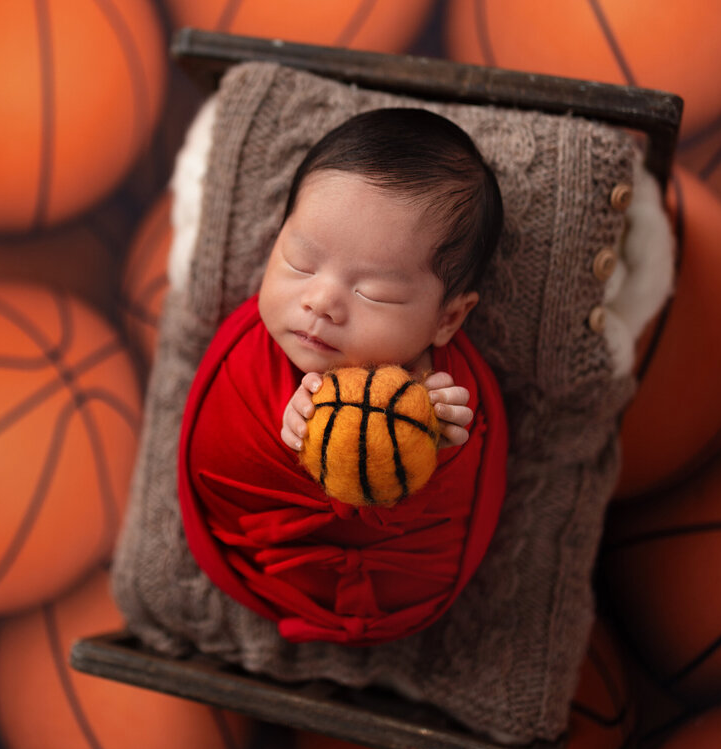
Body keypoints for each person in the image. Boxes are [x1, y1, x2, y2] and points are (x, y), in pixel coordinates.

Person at [177, 107, 509, 647]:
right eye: (300, 263)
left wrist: (437, 449)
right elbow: (222, 449)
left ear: (447, 318)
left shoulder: (442, 391)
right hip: (264, 555)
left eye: (375, 293)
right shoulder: (250, 359)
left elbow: (456, 502)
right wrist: (290, 436)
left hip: (392, 581)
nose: (321, 302)